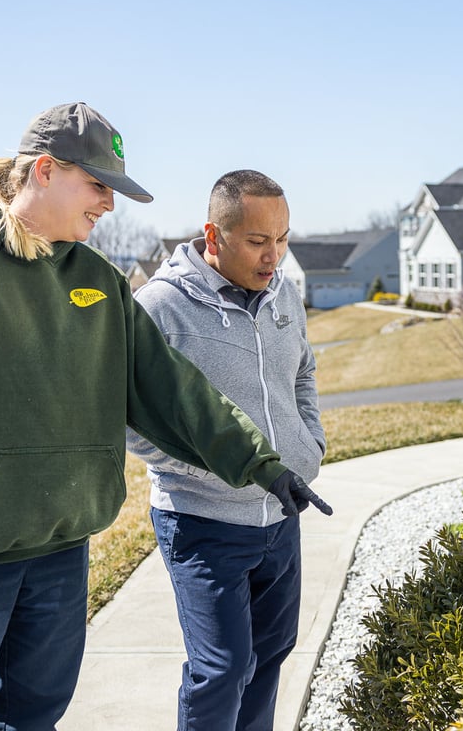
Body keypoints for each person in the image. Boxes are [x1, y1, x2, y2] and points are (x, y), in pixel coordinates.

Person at [0, 104, 328, 731]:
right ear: (44, 170)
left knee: (33, 714)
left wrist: (260, 463)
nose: (110, 205)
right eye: (99, 186)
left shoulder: (96, 277)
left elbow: (171, 390)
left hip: (60, 551)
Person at [126, 169, 331, 731]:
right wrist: (222, 472)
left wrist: (306, 446)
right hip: (202, 521)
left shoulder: (283, 293)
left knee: (270, 658)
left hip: (281, 516)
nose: (274, 257)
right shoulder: (159, 307)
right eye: (259, 242)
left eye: (283, 240)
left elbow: (303, 371)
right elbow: (136, 424)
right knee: (222, 669)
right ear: (214, 237)